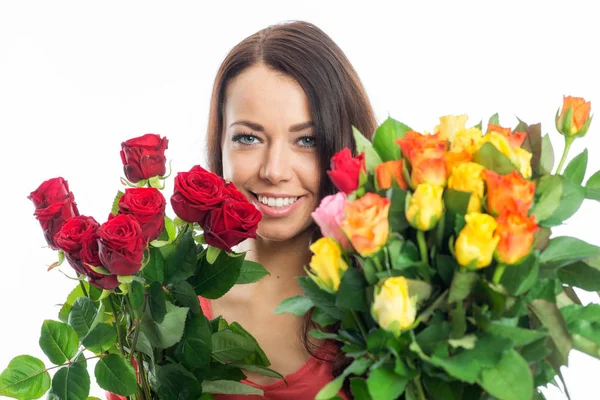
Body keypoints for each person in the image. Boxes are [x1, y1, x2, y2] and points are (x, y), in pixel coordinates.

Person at [203, 20, 377, 400]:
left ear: (345, 144)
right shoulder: (163, 308)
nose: (274, 171)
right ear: (220, 145)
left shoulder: (390, 302)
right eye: (248, 138)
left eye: (306, 140)